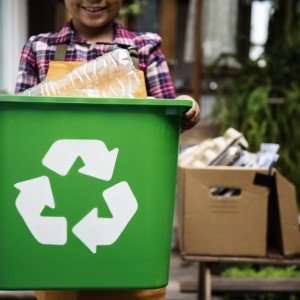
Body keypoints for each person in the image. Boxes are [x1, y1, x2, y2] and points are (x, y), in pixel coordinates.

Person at [15, 1, 200, 299]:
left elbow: (169, 120)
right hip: (61, 207)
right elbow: (23, 129)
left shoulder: (145, 49)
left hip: (130, 208)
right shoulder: (40, 48)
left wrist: (186, 106)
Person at [15, 0, 199, 130]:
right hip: (53, 169)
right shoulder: (39, 48)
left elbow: (167, 124)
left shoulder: (146, 48)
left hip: (127, 173)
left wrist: (183, 110)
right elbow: (19, 120)